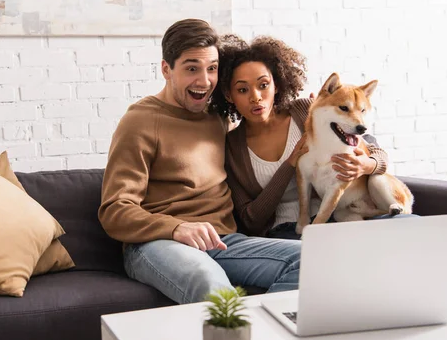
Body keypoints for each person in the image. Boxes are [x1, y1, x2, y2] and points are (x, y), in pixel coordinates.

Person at [98, 19, 302, 305]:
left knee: (310, 261)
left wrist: (317, 113)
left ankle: (263, 337)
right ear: (166, 69)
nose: (204, 81)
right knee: (210, 283)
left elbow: (261, 117)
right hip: (158, 244)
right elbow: (114, 211)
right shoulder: (140, 122)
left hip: (222, 241)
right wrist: (176, 227)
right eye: (192, 68)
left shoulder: (216, 117)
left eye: (212, 68)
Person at [208, 34, 389, 240]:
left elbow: (372, 148)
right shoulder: (232, 146)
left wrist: (368, 165)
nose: (256, 97)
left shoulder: (304, 111)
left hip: (338, 219)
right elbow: (250, 219)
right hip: (287, 232)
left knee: (408, 227)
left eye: (264, 85)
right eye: (242, 89)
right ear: (229, 95)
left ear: (276, 84)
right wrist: (290, 163)